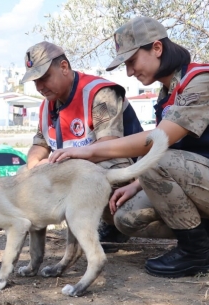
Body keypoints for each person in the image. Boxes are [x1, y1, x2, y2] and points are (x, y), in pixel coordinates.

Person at [47, 16, 209, 278]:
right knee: (125, 216)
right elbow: (184, 153)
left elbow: (158, 144)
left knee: (153, 159)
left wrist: (87, 150)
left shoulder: (202, 80)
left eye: (132, 61)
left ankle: (195, 252)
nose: (129, 71)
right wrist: (137, 184)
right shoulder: (168, 93)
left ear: (156, 48)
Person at [20, 41, 143, 251]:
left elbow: (109, 146)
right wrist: (33, 166)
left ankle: (115, 223)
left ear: (64, 67)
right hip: (82, 171)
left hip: (135, 174)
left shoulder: (99, 93)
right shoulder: (47, 104)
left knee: (100, 170)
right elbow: (40, 144)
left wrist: (54, 168)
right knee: (24, 173)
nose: (39, 87)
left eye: (44, 78)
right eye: (34, 81)